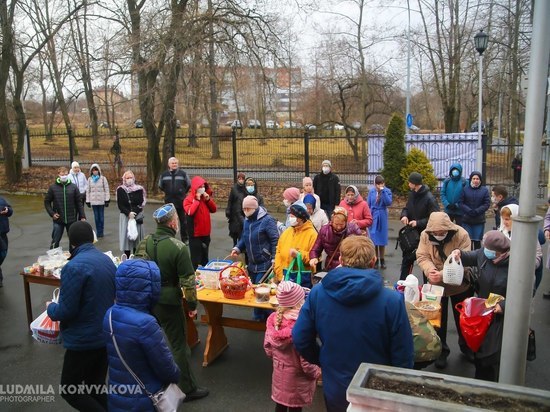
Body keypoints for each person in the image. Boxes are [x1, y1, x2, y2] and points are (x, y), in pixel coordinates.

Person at [293, 236, 414, 412]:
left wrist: (321, 359)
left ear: (341, 260)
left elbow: (300, 337)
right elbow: (403, 353)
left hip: (335, 383)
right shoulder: (392, 300)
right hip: (377, 388)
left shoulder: (318, 293)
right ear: (373, 262)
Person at [135, 203, 209, 401]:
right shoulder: (179, 247)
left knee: (150, 342)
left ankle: (149, 381)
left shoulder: (146, 241)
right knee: (178, 345)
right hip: (169, 301)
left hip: (148, 298)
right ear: (173, 222)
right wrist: (193, 306)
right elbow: (188, 282)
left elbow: (136, 267)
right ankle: (187, 388)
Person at [47, 221, 116, 410]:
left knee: (70, 390)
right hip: (105, 334)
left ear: (72, 242)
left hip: (83, 340)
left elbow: (66, 310)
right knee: (96, 387)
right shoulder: (106, 260)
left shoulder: (73, 267)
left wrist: (51, 308)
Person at [453, 231, 533, 381]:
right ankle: (481, 380)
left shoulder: (518, 263)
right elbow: (473, 256)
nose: (485, 251)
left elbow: (526, 292)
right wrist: (460, 254)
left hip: (503, 316)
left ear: (499, 252)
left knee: (494, 354)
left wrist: (504, 305)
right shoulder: (485, 254)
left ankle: (498, 382)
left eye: (488, 249)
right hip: (484, 312)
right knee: (481, 350)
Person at [103, 259, 180, 411]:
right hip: (143, 400)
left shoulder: (109, 314)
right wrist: (176, 374)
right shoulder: (146, 324)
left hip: (117, 395)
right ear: (151, 287)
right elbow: (167, 369)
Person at [416, 212, 474, 369]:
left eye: (441, 232)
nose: (438, 234)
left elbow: (467, 259)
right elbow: (422, 256)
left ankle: (467, 347)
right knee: (436, 320)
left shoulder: (462, 234)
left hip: (459, 283)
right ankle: (441, 351)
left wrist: (442, 274)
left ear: (448, 228)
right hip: (434, 283)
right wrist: (430, 271)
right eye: (435, 232)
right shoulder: (425, 235)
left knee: (462, 318)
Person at [264, 281, 321, 412]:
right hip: (297, 380)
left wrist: (278, 360)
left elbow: (268, 348)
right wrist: (316, 372)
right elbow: (306, 361)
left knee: (280, 405)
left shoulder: (273, 321)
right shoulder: (301, 327)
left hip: (279, 374)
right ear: (299, 302)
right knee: (295, 408)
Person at [231, 195, 279, 321]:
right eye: (244, 209)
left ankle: (266, 317)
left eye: (248, 209)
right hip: (252, 262)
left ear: (254, 208)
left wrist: (273, 258)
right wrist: (237, 248)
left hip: (265, 262)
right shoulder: (247, 221)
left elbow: (275, 239)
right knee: (256, 290)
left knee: (260, 290)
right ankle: (262, 317)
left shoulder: (267, 220)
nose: (245, 211)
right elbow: (244, 238)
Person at [399, 172, 439, 280]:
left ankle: (428, 287)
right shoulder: (412, 194)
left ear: (415, 184)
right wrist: (404, 216)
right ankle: (402, 285)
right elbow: (406, 208)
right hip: (411, 235)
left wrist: (418, 223)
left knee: (425, 262)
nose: (408, 184)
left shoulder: (429, 198)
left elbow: (435, 218)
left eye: (410, 182)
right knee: (407, 260)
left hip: (425, 236)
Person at [274, 202, 317, 282]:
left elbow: (314, 258)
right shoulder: (287, 232)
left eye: (292, 216)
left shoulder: (312, 235)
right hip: (283, 278)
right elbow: (278, 252)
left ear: (300, 218)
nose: (290, 218)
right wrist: (279, 272)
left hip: (300, 280)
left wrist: (299, 254)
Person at [44, 166, 86, 249]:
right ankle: (53, 256)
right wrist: (52, 213)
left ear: (68, 174)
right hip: (58, 219)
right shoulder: (53, 187)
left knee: (73, 241)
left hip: (71, 219)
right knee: (55, 239)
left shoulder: (73, 187)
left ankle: (73, 257)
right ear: (58, 174)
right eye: (62, 174)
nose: (64, 175)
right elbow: (47, 202)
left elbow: (79, 202)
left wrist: (82, 216)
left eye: (65, 174)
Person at [309, 207, 362, 272]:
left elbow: (361, 248)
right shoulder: (324, 231)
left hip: (350, 266)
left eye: (341, 224)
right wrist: (313, 257)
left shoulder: (353, 229)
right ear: (331, 221)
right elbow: (316, 248)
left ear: (346, 222)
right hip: (331, 266)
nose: (339, 227)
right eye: (336, 224)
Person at [184, 176, 217, 269]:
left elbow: (214, 209)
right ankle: (195, 278)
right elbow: (190, 212)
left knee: (205, 259)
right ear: (195, 188)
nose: (202, 188)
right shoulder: (188, 199)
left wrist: (208, 200)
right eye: (200, 186)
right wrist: (197, 200)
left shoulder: (205, 198)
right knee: (196, 260)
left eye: (203, 186)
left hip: (206, 234)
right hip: (195, 235)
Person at [158, 157, 191, 243]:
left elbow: (188, 185)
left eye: (176, 163)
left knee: (183, 221)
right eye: (172, 163)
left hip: (181, 202)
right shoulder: (164, 175)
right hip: (169, 202)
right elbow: (161, 186)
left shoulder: (183, 174)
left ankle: (185, 239)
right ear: (169, 164)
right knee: (169, 221)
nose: (174, 164)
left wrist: (182, 193)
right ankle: (170, 238)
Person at [117, 170, 146, 258]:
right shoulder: (121, 189)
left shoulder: (139, 189)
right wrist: (128, 213)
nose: (129, 179)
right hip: (125, 217)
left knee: (137, 240)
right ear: (124, 179)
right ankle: (127, 257)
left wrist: (135, 212)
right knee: (127, 239)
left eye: (131, 177)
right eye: (127, 178)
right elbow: (120, 205)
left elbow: (141, 202)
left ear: (133, 178)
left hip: (137, 217)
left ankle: (136, 257)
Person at [366, 175, 392, 269]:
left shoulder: (387, 191)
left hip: (382, 215)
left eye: (381, 183)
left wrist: (383, 191)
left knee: (382, 239)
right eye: (378, 184)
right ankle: (375, 259)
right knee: (374, 239)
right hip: (373, 215)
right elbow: (368, 204)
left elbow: (388, 202)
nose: (380, 185)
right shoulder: (372, 191)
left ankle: (382, 259)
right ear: (375, 184)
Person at [460, 171, 490, 250]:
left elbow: (486, 204)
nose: (475, 180)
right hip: (467, 220)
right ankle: (468, 259)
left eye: (477, 179)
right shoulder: (465, 189)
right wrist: (469, 210)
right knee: (467, 242)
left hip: (479, 220)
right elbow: (461, 202)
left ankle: (477, 260)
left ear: (480, 180)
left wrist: (477, 211)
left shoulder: (485, 190)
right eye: (474, 178)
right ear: (470, 179)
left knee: (477, 242)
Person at [85, 163, 110, 238]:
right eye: (93, 170)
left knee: (101, 217)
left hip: (101, 201)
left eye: (96, 170)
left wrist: (107, 199)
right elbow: (88, 191)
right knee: (96, 217)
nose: (95, 171)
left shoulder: (103, 179)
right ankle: (98, 231)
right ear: (91, 171)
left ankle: (101, 231)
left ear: (99, 170)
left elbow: (106, 189)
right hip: (94, 201)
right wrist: (88, 201)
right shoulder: (89, 179)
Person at [225, 172, 247, 246]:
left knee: (241, 230)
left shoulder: (245, 189)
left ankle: (240, 246)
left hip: (243, 212)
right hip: (234, 213)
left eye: (242, 179)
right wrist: (228, 210)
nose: (241, 180)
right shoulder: (234, 189)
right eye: (239, 178)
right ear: (237, 179)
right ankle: (235, 244)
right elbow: (230, 200)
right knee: (234, 230)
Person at [0, 196, 13, 288]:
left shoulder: (1, 199)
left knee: (3, 253)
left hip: (3, 233)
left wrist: (7, 210)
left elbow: (10, 210)